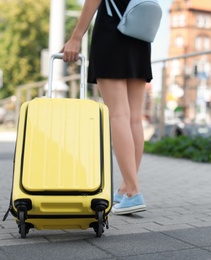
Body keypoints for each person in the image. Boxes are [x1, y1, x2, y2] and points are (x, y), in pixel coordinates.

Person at [61, 0, 152, 215]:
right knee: (134, 119)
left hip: (112, 33)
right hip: (140, 34)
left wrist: (75, 37)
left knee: (119, 114)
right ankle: (125, 190)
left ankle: (133, 191)